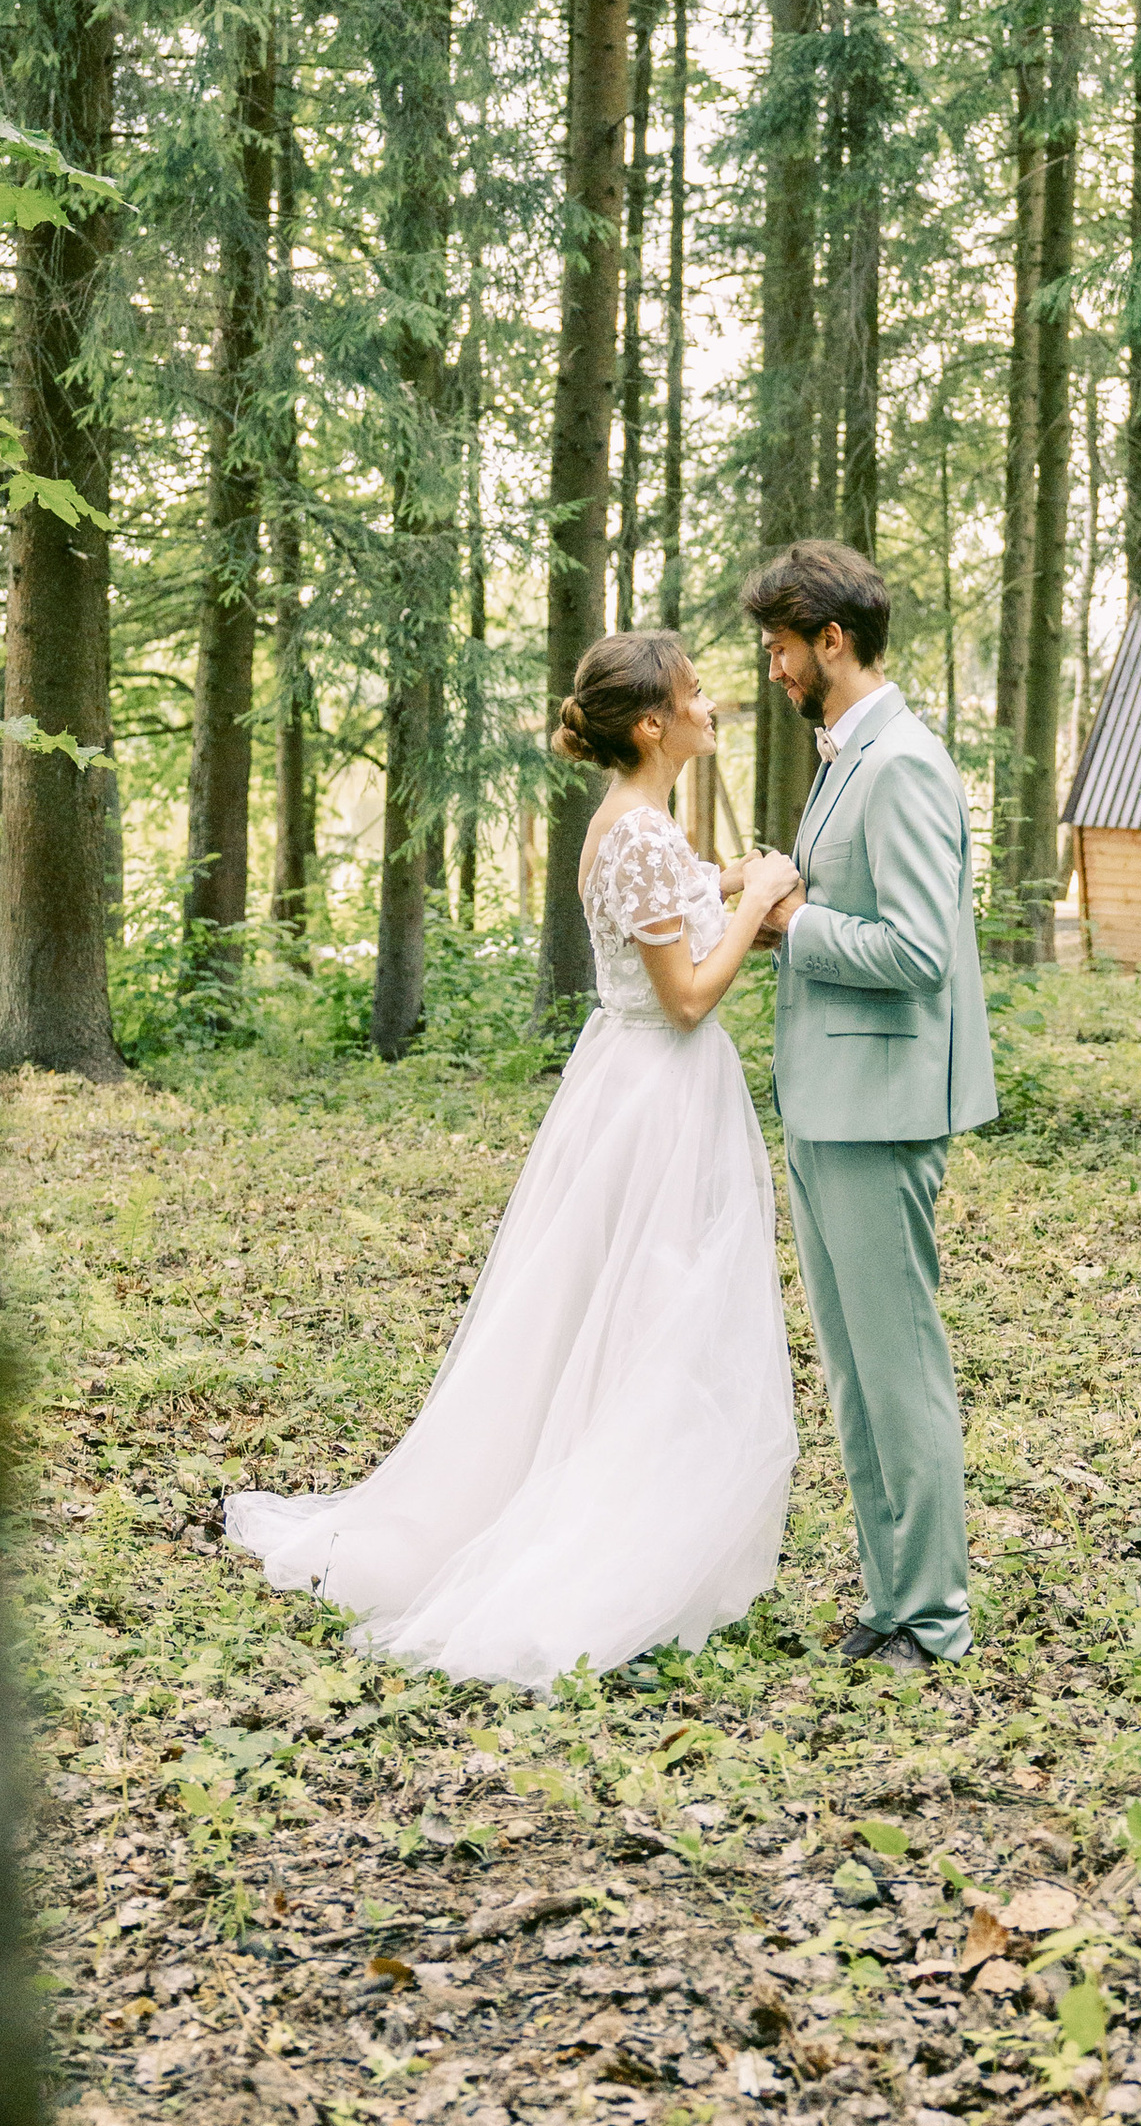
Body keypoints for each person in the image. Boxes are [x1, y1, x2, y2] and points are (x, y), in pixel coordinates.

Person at [226, 628, 802, 1691]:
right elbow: (683, 998)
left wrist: (731, 888)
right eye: (692, 692)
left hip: (632, 1087)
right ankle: (607, 1532)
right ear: (652, 725)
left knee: (619, 1303)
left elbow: (668, 906)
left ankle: (629, 1500)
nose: (710, 702)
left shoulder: (639, 827)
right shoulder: (636, 833)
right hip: (657, 1090)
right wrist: (760, 899)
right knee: (649, 1304)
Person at [742, 538, 998, 1669]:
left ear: (830, 641)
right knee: (851, 1377)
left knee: (898, 1374)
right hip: (826, 1100)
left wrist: (790, 920)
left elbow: (916, 952)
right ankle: (889, 1599)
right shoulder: (847, 755)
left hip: (879, 1111)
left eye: (780, 648)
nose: (771, 669)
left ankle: (933, 1617)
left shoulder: (900, 764)